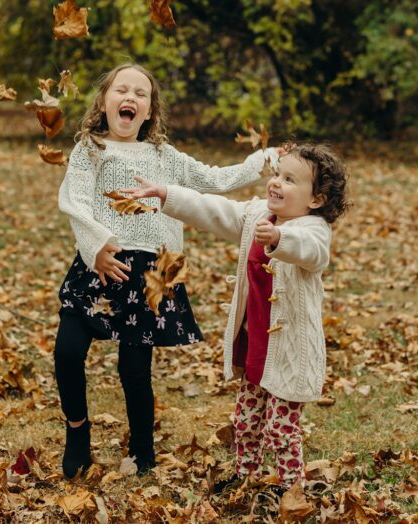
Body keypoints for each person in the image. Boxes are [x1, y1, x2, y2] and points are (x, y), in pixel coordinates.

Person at [55, 63, 276, 478]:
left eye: (141, 93)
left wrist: (259, 161)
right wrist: (97, 246)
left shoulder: (164, 156)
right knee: (68, 351)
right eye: (121, 90)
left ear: (151, 110)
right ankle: (77, 435)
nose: (130, 98)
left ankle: (142, 451)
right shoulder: (90, 148)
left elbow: (214, 179)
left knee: (134, 368)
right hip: (103, 261)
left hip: (155, 268)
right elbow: (75, 200)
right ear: (104, 102)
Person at [125, 142, 349, 492]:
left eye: (290, 179)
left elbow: (312, 252)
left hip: (291, 351)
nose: (276, 182)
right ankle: (246, 476)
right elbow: (215, 210)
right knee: (246, 419)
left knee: (280, 427)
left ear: (316, 199)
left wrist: (279, 237)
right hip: (257, 343)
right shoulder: (257, 215)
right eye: (277, 174)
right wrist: (166, 194)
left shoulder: (313, 229)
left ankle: (290, 487)